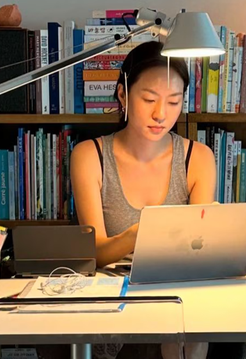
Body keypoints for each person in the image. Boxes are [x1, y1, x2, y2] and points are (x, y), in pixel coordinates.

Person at [70, 41, 232, 359]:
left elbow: (198, 253)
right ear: (123, 95)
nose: (161, 114)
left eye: (173, 102)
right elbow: (93, 255)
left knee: (194, 330)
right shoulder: (90, 156)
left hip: (178, 294)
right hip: (115, 300)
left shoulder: (198, 157)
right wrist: (140, 233)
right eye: (148, 100)